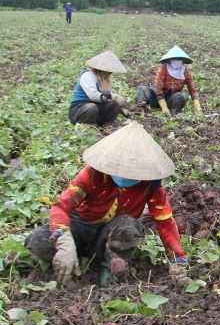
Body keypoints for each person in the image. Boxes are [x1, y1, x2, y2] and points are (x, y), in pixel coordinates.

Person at [24, 122, 190, 287]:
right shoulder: (93, 174)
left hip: (114, 233)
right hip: (81, 225)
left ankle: (109, 268)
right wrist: (63, 241)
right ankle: (73, 257)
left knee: (129, 226)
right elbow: (61, 206)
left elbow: (165, 222)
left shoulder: (150, 186)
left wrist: (177, 260)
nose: (126, 175)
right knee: (38, 240)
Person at [135, 45, 202, 116]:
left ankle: (173, 112)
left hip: (170, 99)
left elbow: (192, 90)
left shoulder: (185, 72)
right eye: (174, 59)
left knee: (183, 96)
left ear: (182, 61)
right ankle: (142, 109)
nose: (177, 61)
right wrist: (163, 107)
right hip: (155, 97)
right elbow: (158, 89)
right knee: (141, 89)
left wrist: (197, 106)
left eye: (179, 59)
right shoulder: (163, 69)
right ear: (170, 60)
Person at [68, 51, 130, 126]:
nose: (110, 73)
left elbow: (105, 98)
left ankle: (103, 125)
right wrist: (113, 96)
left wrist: (121, 110)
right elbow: (93, 96)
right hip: (80, 107)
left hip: (97, 107)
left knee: (115, 104)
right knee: (91, 108)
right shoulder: (88, 75)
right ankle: (84, 126)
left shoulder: (103, 79)